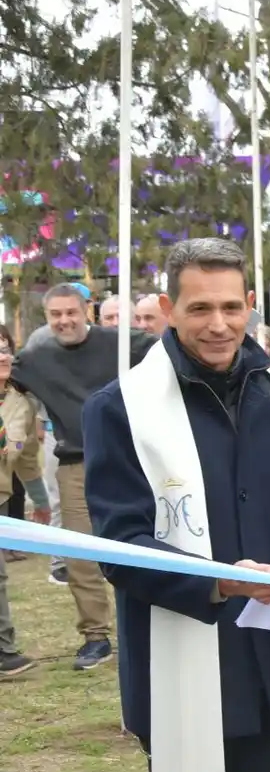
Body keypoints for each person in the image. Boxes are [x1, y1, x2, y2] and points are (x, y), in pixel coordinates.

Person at [81, 238, 270, 772]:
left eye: (230, 306)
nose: (218, 324)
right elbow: (120, 544)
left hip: (263, 654)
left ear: (251, 304)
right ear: (167, 309)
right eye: (199, 308)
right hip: (181, 655)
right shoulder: (121, 406)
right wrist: (216, 579)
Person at [12, 282, 154, 669]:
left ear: (86, 311)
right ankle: (96, 637)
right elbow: (10, 379)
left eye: (70, 312)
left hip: (130, 460)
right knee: (80, 553)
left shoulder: (124, 344)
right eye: (55, 314)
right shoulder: (35, 359)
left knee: (142, 544)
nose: (64, 320)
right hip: (75, 464)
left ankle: (150, 623)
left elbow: (171, 354)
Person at [0, 325, 50, 677]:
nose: (3, 356)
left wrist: (40, 500)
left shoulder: (20, 403)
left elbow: (25, 455)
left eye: (5, 348)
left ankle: (3, 651)